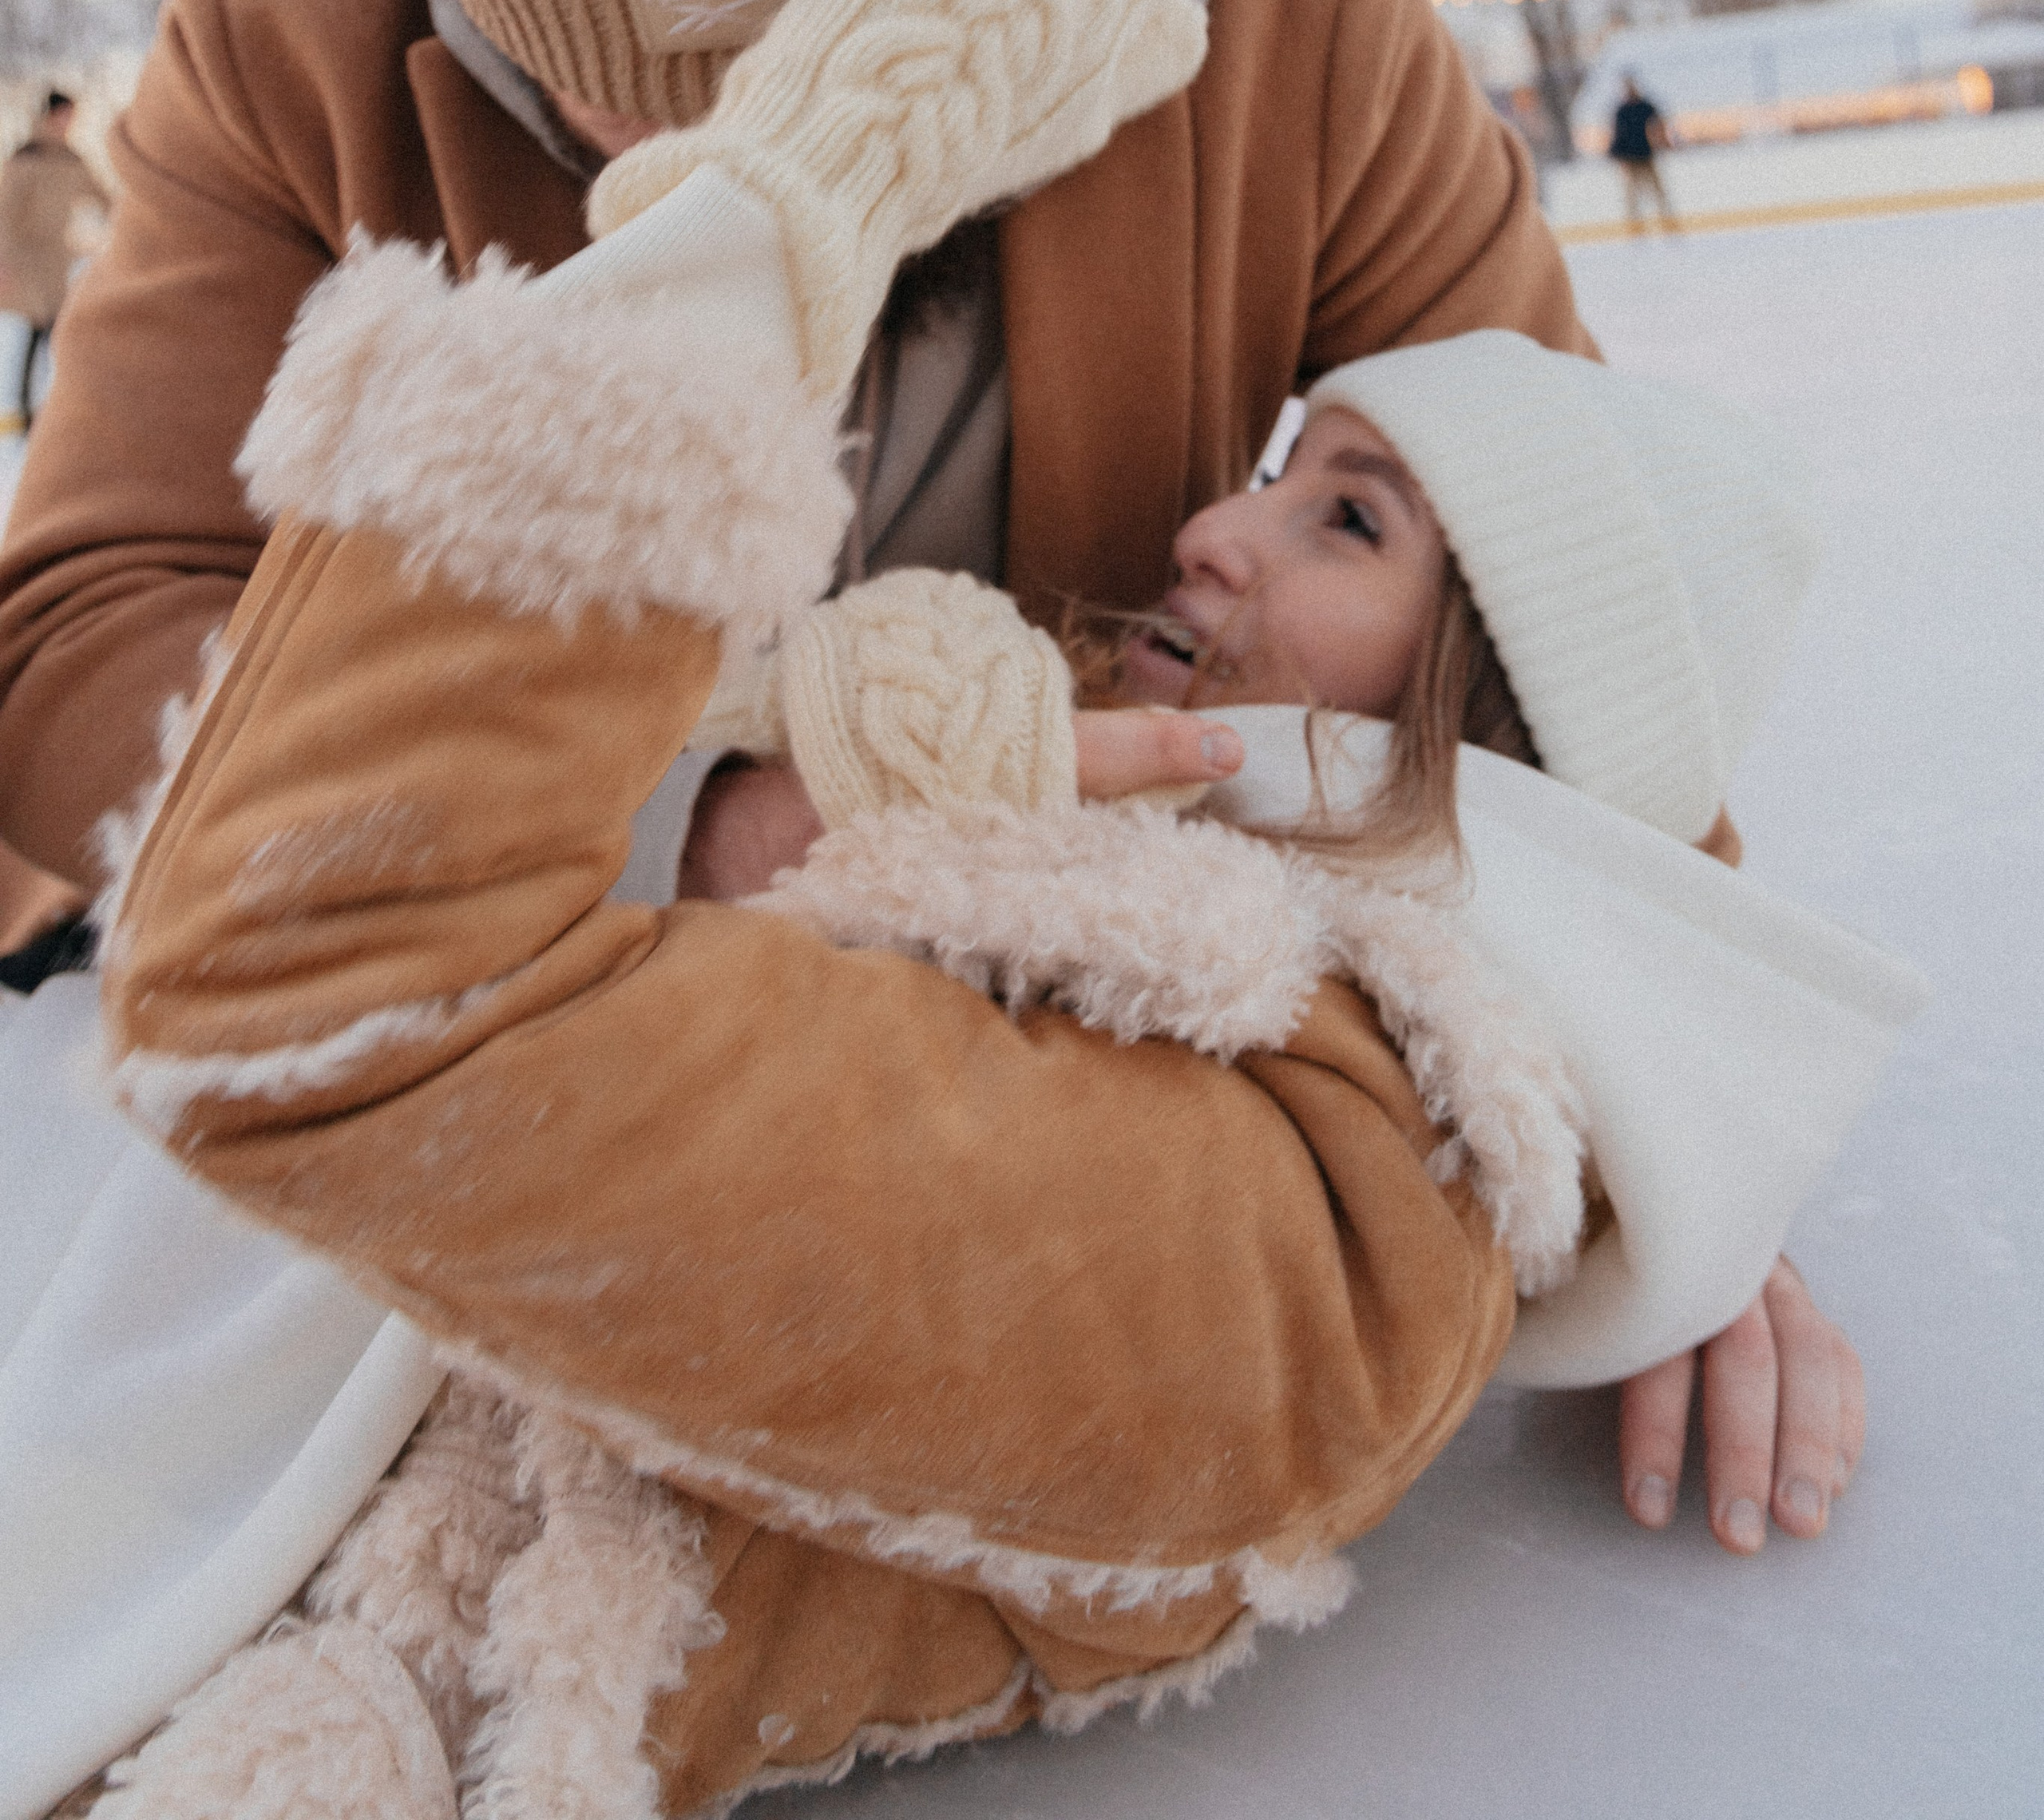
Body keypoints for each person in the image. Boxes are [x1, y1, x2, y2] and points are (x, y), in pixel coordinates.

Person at [0, 0, 1852, 1680]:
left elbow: (1558, 549)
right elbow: (89, 618)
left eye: (789, 71)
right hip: (537, 1056)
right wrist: (679, 815)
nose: (683, 155)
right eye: (601, 93)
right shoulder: (277, 10)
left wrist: (1667, 1106)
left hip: (1061, 1049)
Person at [82, 236, 1921, 1806]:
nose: (1210, 527)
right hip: (175, 1444)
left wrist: (666, 329)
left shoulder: (1346, 1200)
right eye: (1274, 470)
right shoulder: (1064, 805)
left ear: (1495, 712)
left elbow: (375, 1017)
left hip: (291, 1665)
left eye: (1344, 519)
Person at [0, 90, 111, 431]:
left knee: (53, 332)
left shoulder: (71, 160)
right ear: (51, 115)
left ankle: (50, 408)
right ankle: (32, 411)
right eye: (65, 116)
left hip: (57, 261)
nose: (69, 123)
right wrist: (5, 263)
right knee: (45, 330)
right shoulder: (26, 158)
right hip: (27, 261)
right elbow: (4, 214)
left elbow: (103, 196)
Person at [1609, 70, 1679, 235]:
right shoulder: (1621, 111)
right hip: (1629, 159)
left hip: (1646, 156)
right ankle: (1636, 231)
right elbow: (1617, 135)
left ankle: (1669, 227)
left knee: (1658, 193)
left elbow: (1659, 126)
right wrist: (1617, 155)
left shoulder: (1646, 107)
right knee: (1632, 197)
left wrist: (1665, 143)